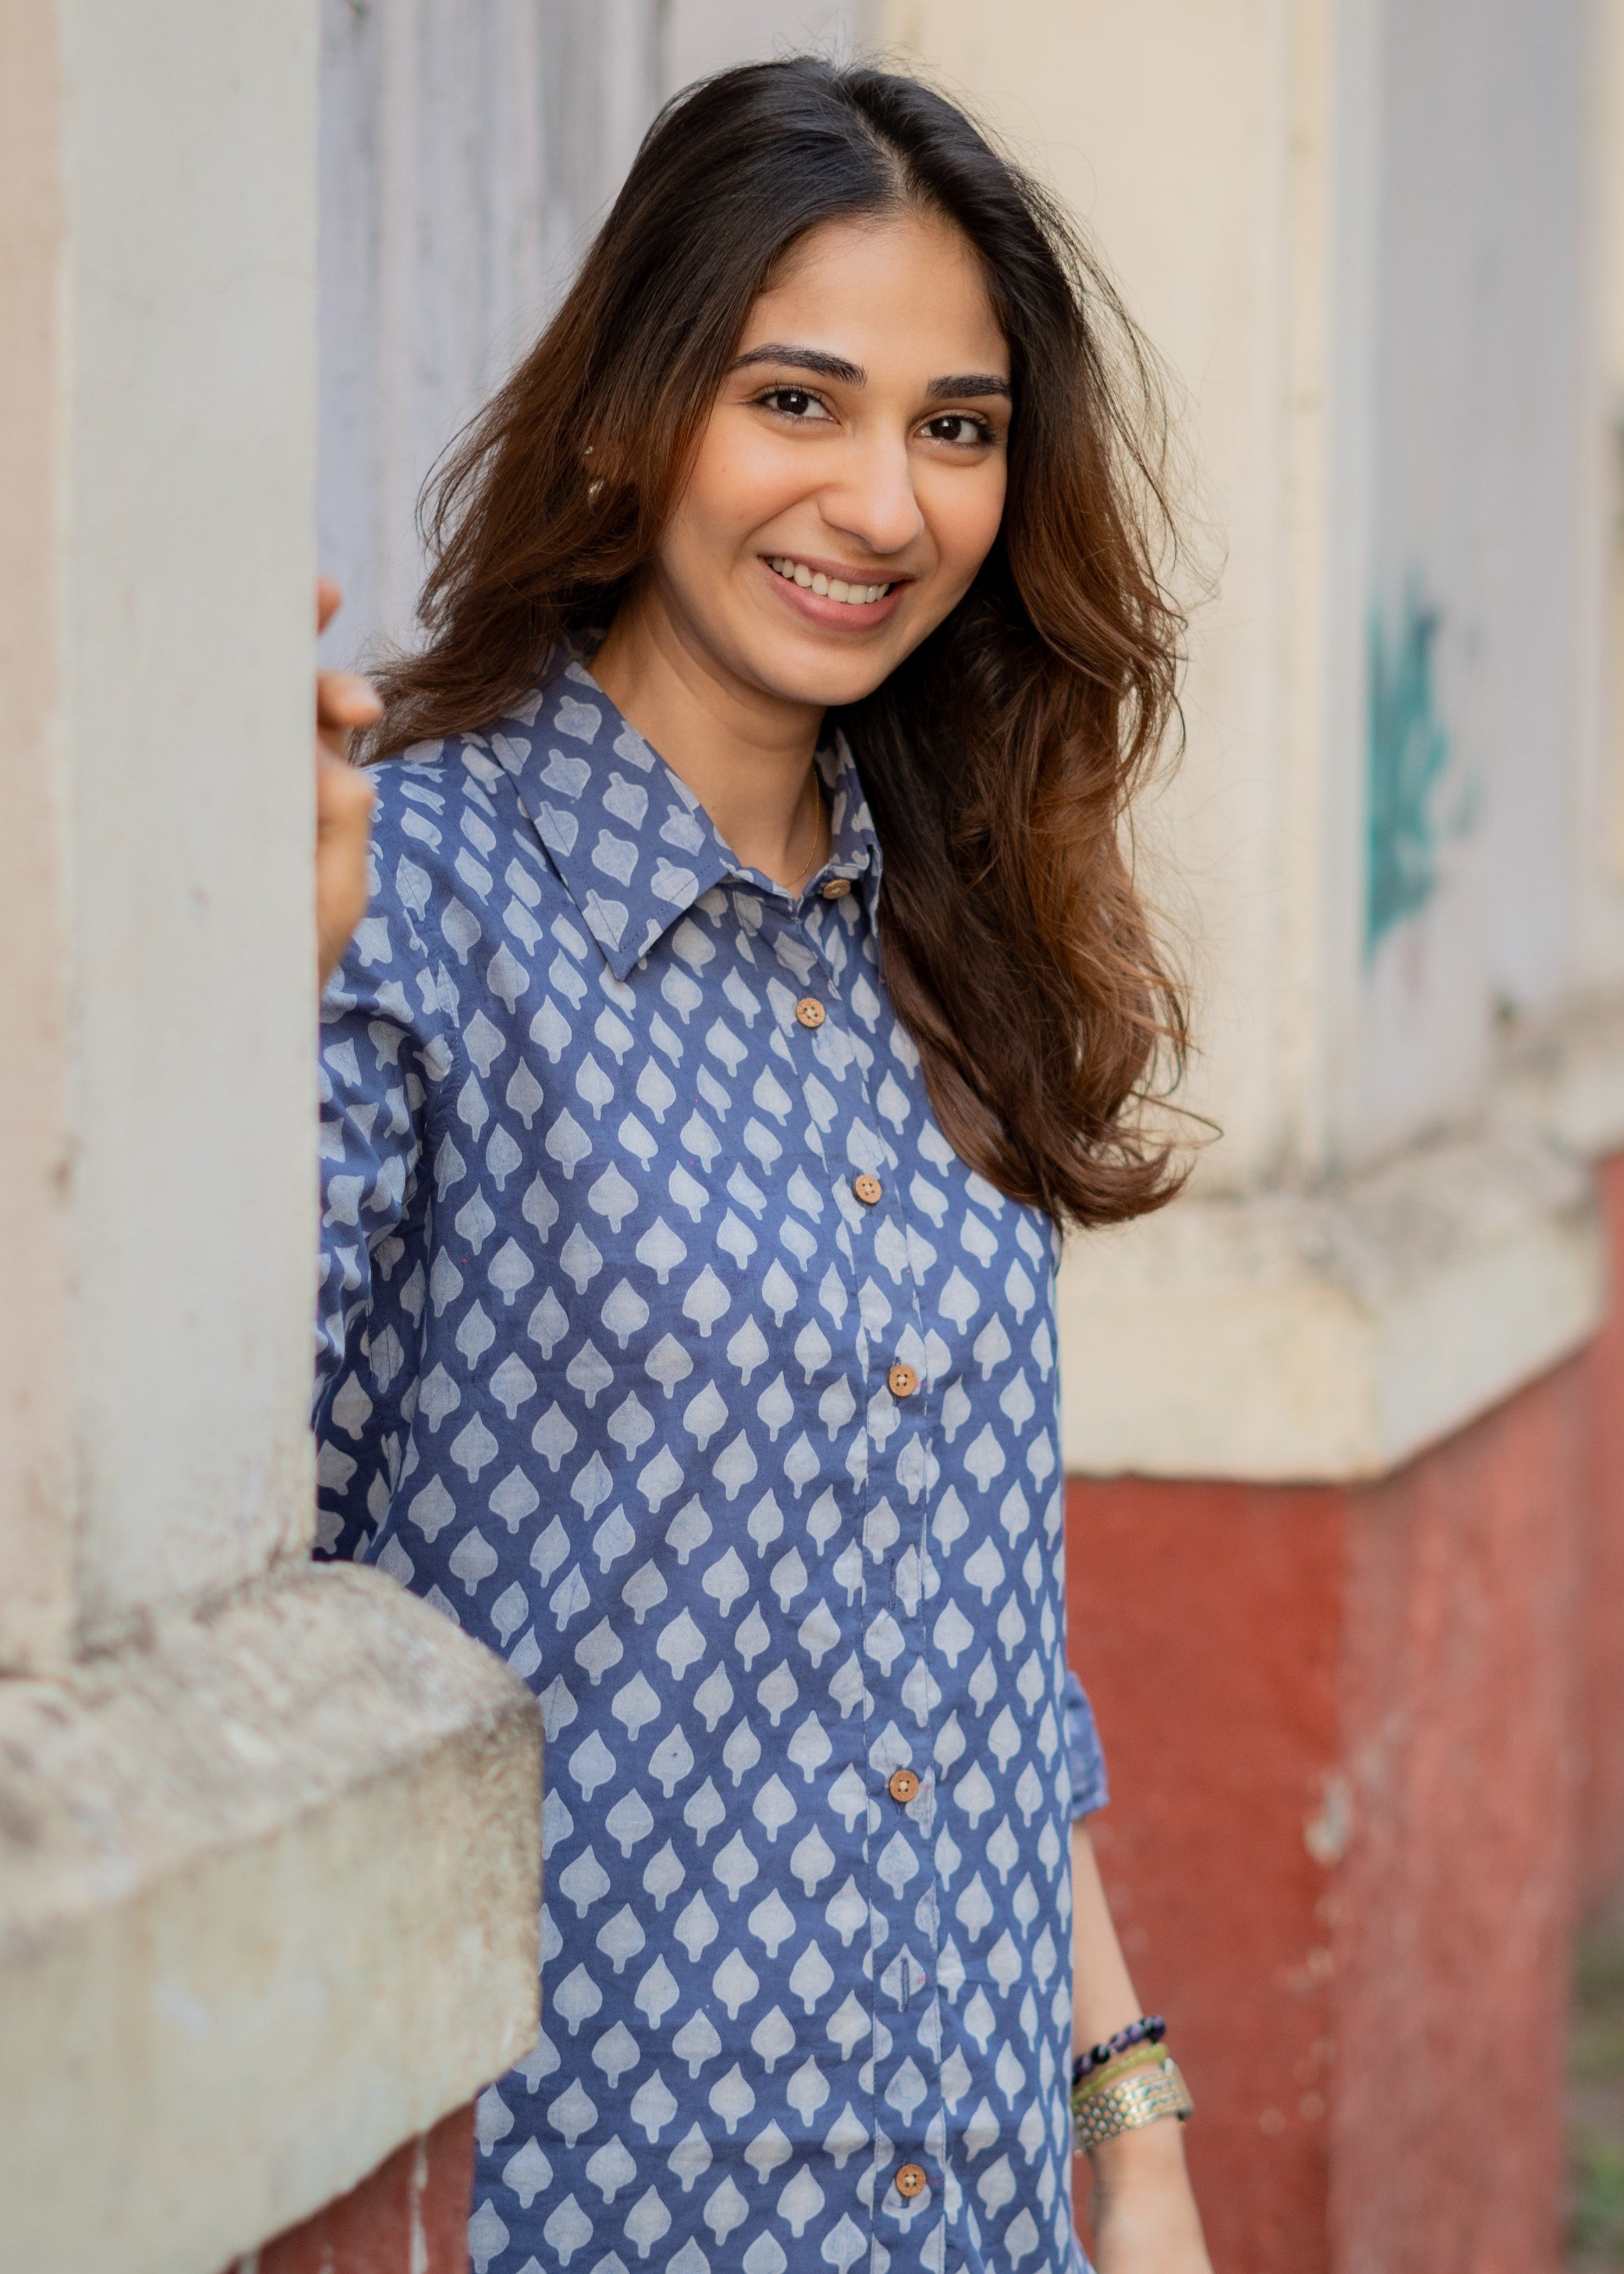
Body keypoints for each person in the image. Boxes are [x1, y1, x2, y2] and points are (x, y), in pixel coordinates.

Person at [311, 58, 1211, 2274]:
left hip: (976, 2213)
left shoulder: (948, 927)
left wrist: (1138, 2135)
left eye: (959, 427)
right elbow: (233, 1512)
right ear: (639, 411)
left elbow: (987, 1645)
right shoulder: (407, 902)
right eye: (797, 400)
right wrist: (245, 1006)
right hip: (595, 2207)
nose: (883, 503)